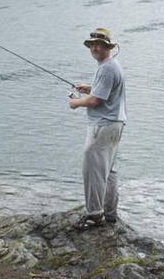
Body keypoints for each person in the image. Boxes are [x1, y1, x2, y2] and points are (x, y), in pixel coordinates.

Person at [69, 27, 127, 230]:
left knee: (93, 170)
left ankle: (94, 215)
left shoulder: (106, 68)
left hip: (102, 126)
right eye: (92, 45)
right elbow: (103, 92)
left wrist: (76, 103)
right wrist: (89, 87)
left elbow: (94, 101)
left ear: (107, 47)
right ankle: (110, 214)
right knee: (109, 171)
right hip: (115, 124)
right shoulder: (113, 65)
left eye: (98, 45)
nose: (94, 48)